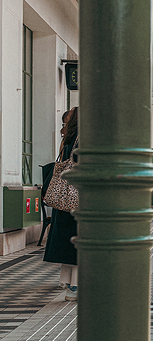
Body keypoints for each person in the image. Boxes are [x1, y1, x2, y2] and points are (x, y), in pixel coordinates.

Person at [44, 108, 78, 300]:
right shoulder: (81, 140)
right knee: (78, 241)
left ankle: (68, 282)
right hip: (77, 198)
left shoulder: (68, 139)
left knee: (69, 242)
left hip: (63, 199)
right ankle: (75, 286)